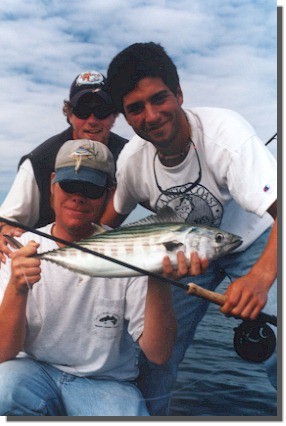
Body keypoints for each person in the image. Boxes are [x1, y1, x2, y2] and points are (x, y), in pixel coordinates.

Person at [100, 42, 277, 415]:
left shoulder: (225, 134)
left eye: (159, 98)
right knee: (151, 355)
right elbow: (106, 223)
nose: (151, 115)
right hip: (183, 259)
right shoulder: (131, 162)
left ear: (179, 94)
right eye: (135, 108)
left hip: (258, 241)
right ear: (126, 118)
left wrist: (260, 278)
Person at [0, 139, 180, 416]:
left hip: (106, 383)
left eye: (90, 188)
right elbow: (2, 353)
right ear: (52, 184)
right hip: (32, 373)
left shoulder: (133, 253)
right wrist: (17, 287)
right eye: (70, 185)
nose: (78, 197)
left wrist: (158, 280)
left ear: (108, 193)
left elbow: (158, 354)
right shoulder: (21, 249)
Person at [0, 70, 127, 249]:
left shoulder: (131, 157)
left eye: (101, 111)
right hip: (45, 260)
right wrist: (5, 229)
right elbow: (6, 221)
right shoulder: (38, 162)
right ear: (69, 115)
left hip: (105, 255)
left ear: (113, 116)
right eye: (83, 111)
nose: (92, 120)